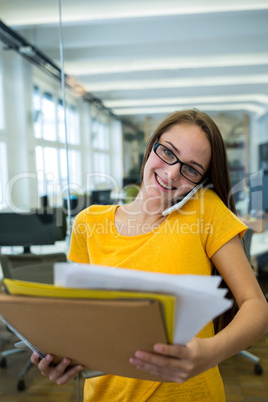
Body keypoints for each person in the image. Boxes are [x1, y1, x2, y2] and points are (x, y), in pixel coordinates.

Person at [31, 109, 268, 401]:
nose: (171, 173)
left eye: (191, 169)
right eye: (168, 152)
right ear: (152, 144)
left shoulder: (205, 209)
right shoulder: (89, 223)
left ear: (200, 180)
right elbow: (84, 322)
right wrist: (62, 357)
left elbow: (257, 306)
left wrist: (208, 354)